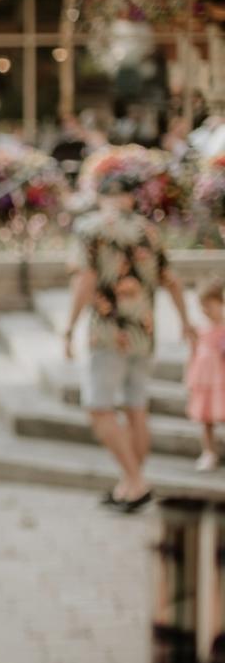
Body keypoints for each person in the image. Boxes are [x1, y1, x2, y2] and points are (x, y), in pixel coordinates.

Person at [63, 173, 195, 511]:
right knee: (137, 409)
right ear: (131, 199)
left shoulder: (90, 228)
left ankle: (136, 483)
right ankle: (128, 483)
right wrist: (184, 321)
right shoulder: (148, 231)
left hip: (108, 332)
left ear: (102, 197)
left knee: (99, 408)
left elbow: (86, 278)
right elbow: (172, 280)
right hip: (144, 332)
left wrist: (68, 327)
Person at [186, 278, 225, 471]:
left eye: (209, 305)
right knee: (206, 419)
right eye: (202, 306)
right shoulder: (200, 329)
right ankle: (209, 452)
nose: (205, 310)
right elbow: (194, 354)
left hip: (221, 381)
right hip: (205, 380)